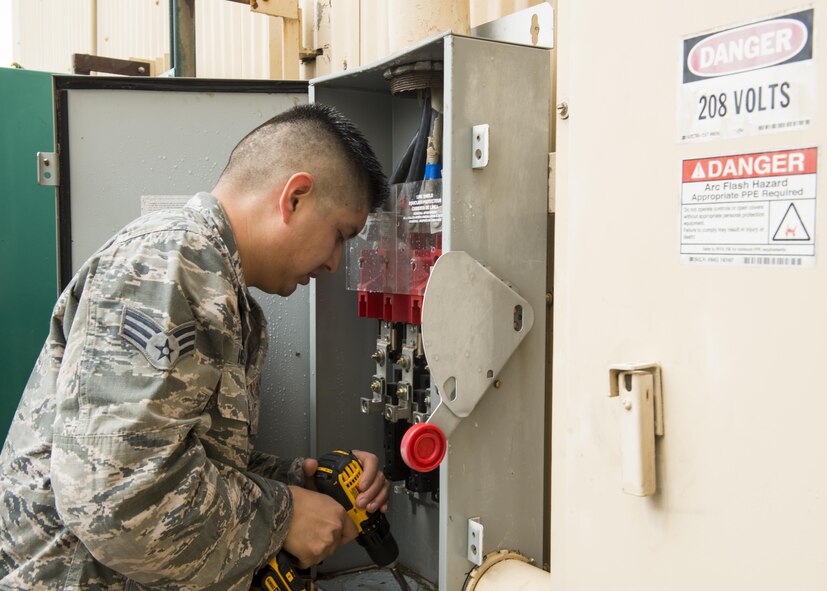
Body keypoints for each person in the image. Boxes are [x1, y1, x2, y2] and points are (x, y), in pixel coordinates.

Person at [0, 103, 390, 590]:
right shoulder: (170, 262)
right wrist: (283, 515)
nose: (335, 263)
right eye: (340, 236)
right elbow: (114, 494)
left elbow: (188, 458)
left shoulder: (223, 292)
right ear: (295, 197)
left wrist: (299, 480)